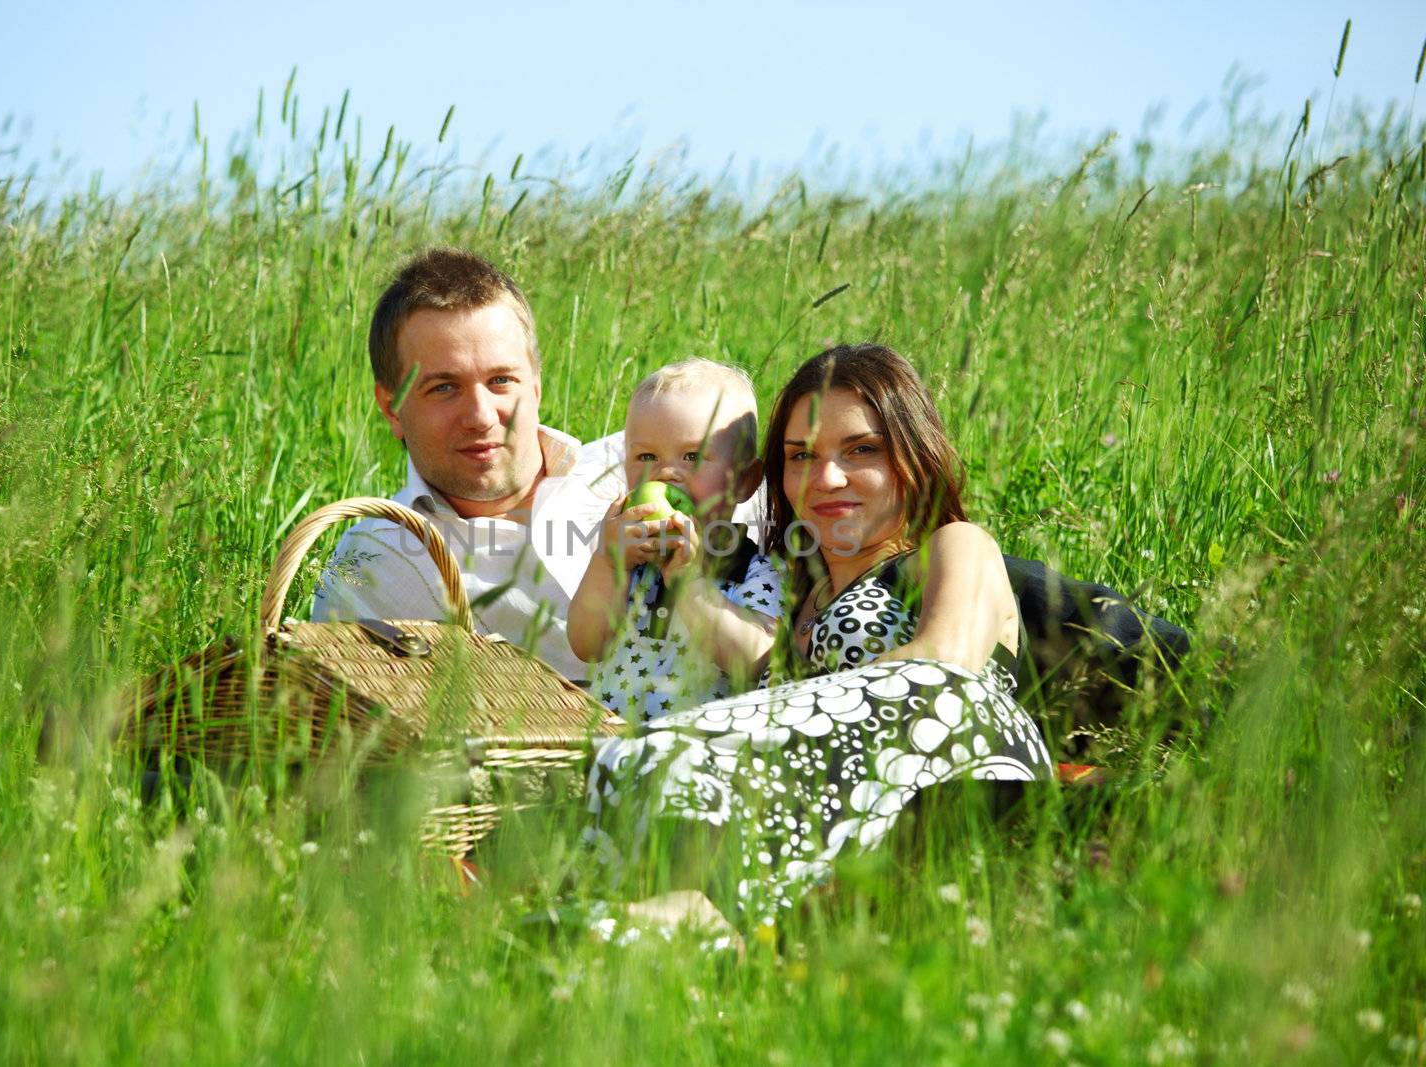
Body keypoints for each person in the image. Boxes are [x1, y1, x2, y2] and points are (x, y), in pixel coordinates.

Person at [585, 344, 1055, 927]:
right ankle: (708, 922)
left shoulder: (951, 546)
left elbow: (943, 667)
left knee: (658, 755)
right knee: (634, 777)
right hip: (831, 813)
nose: (827, 477)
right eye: (801, 455)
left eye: (862, 449)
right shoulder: (782, 593)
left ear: (913, 452)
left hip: (953, 768)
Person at [311, 248, 623, 681]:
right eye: (444, 388)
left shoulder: (640, 465)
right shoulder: (377, 563)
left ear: (534, 386)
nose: (480, 416)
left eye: (500, 381)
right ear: (392, 408)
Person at [567, 359, 784, 722]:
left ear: (746, 481)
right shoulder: (630, 564)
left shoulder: (754, 571)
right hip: (612, 745)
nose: (666, 473)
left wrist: (690, 584)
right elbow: (586, 646)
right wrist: (607, 563)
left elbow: (755, 661)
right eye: (646, 456)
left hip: (698, 756)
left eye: (693, 456)